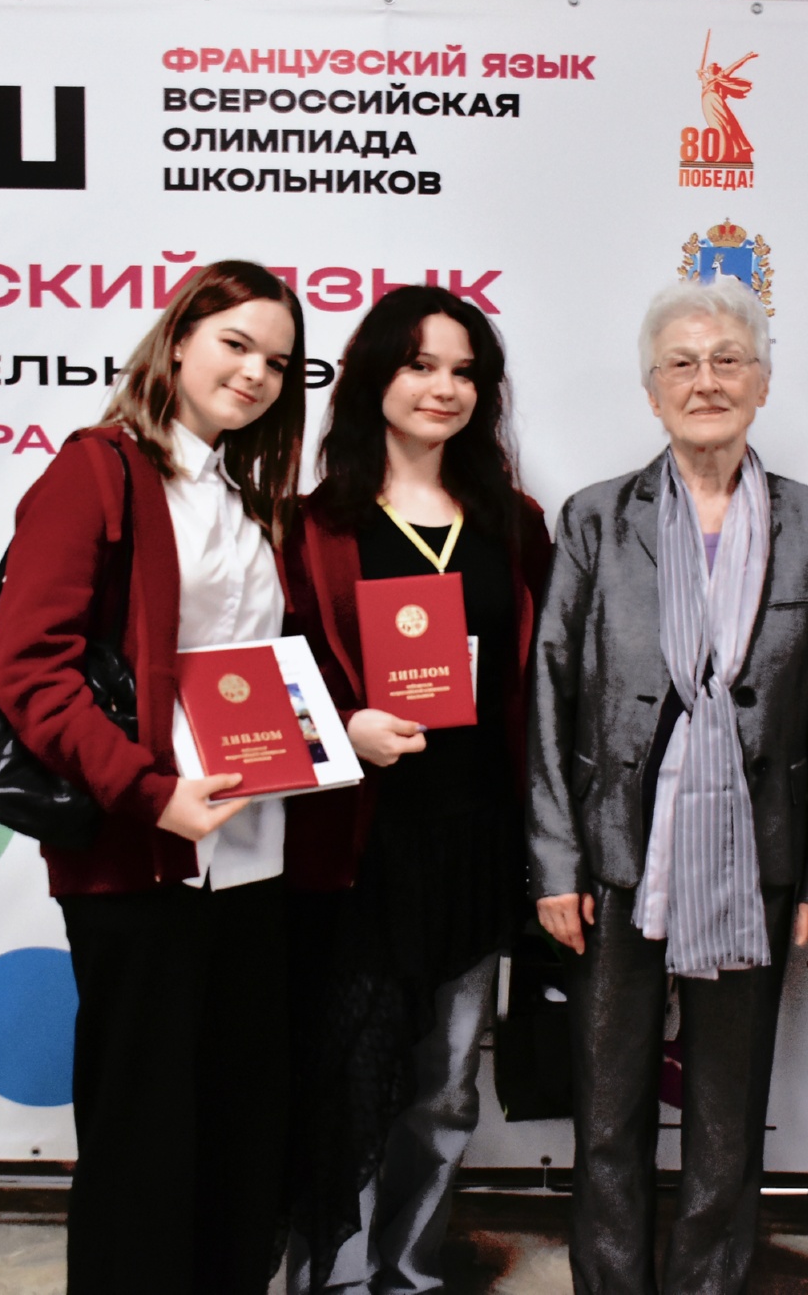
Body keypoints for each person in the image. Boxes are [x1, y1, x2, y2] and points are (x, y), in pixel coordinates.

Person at [528, 273, 808, 1295]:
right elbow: (548, 696)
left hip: (754, 852)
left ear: (761, 381)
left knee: (727, 1111)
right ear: (651, 390)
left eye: (726, 360)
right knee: (607, 1107)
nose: (705, 380)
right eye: (681, 363)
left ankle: (708, 1283)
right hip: (614, 854)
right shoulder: (595, 518)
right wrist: (554, 861)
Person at [0, 260, 308, 1295]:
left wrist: (332, 731)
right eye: (235, 344)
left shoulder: (245, 495)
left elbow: (251, 668)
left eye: (278, 362)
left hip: (253, 857)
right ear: (177, 341)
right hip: (141, 858)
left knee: (239, 1128)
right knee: (143, 1138)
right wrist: (148, 790)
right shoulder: (96, 471)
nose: (255, 374)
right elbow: (25, 667)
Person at [281, 284, 552, 1294]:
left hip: (474, 837)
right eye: (420, 364)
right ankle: (336, 1274)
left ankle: (410, 1270)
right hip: (358, 844)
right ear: (372, 378)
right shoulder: (311, 528)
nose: (444, 388)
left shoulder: (515, 525)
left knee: (445, 1085)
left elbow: (542, 686)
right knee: (349, 1072)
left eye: (465, 372)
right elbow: (265, 679)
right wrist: (342, 728)